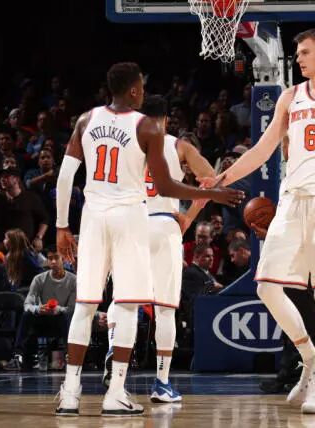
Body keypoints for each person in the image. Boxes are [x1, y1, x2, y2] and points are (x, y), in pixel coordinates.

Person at [53, 62, 243, 417]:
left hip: (92, 216)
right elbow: (167, 186)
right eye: (141, 86)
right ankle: (116, 393)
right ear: (134, 90)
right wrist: (212, 195)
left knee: (86, 305)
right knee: (128, 305)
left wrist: (62, 226)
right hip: (130, 217)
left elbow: (65, 179)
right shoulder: (147, 127)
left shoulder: (85, 120)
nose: (143, 92)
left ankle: (70, 393)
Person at [202, 29, 315, 414]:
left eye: (305, 52)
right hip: (293, 199)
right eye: (297, 53)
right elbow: (263, 149)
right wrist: (222, 178)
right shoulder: (289, 97)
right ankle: (308, 358)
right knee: (266, 285)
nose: (298, 58)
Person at [103, 95, 216, 403]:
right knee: (165, 309)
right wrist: (188, 217)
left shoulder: (126, 146)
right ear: (167, 119)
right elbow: (210, 179)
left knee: (123, 300)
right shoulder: (179, 146)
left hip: (131, 223)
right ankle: (162, 383)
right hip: (164, 224)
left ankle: (114, 352)